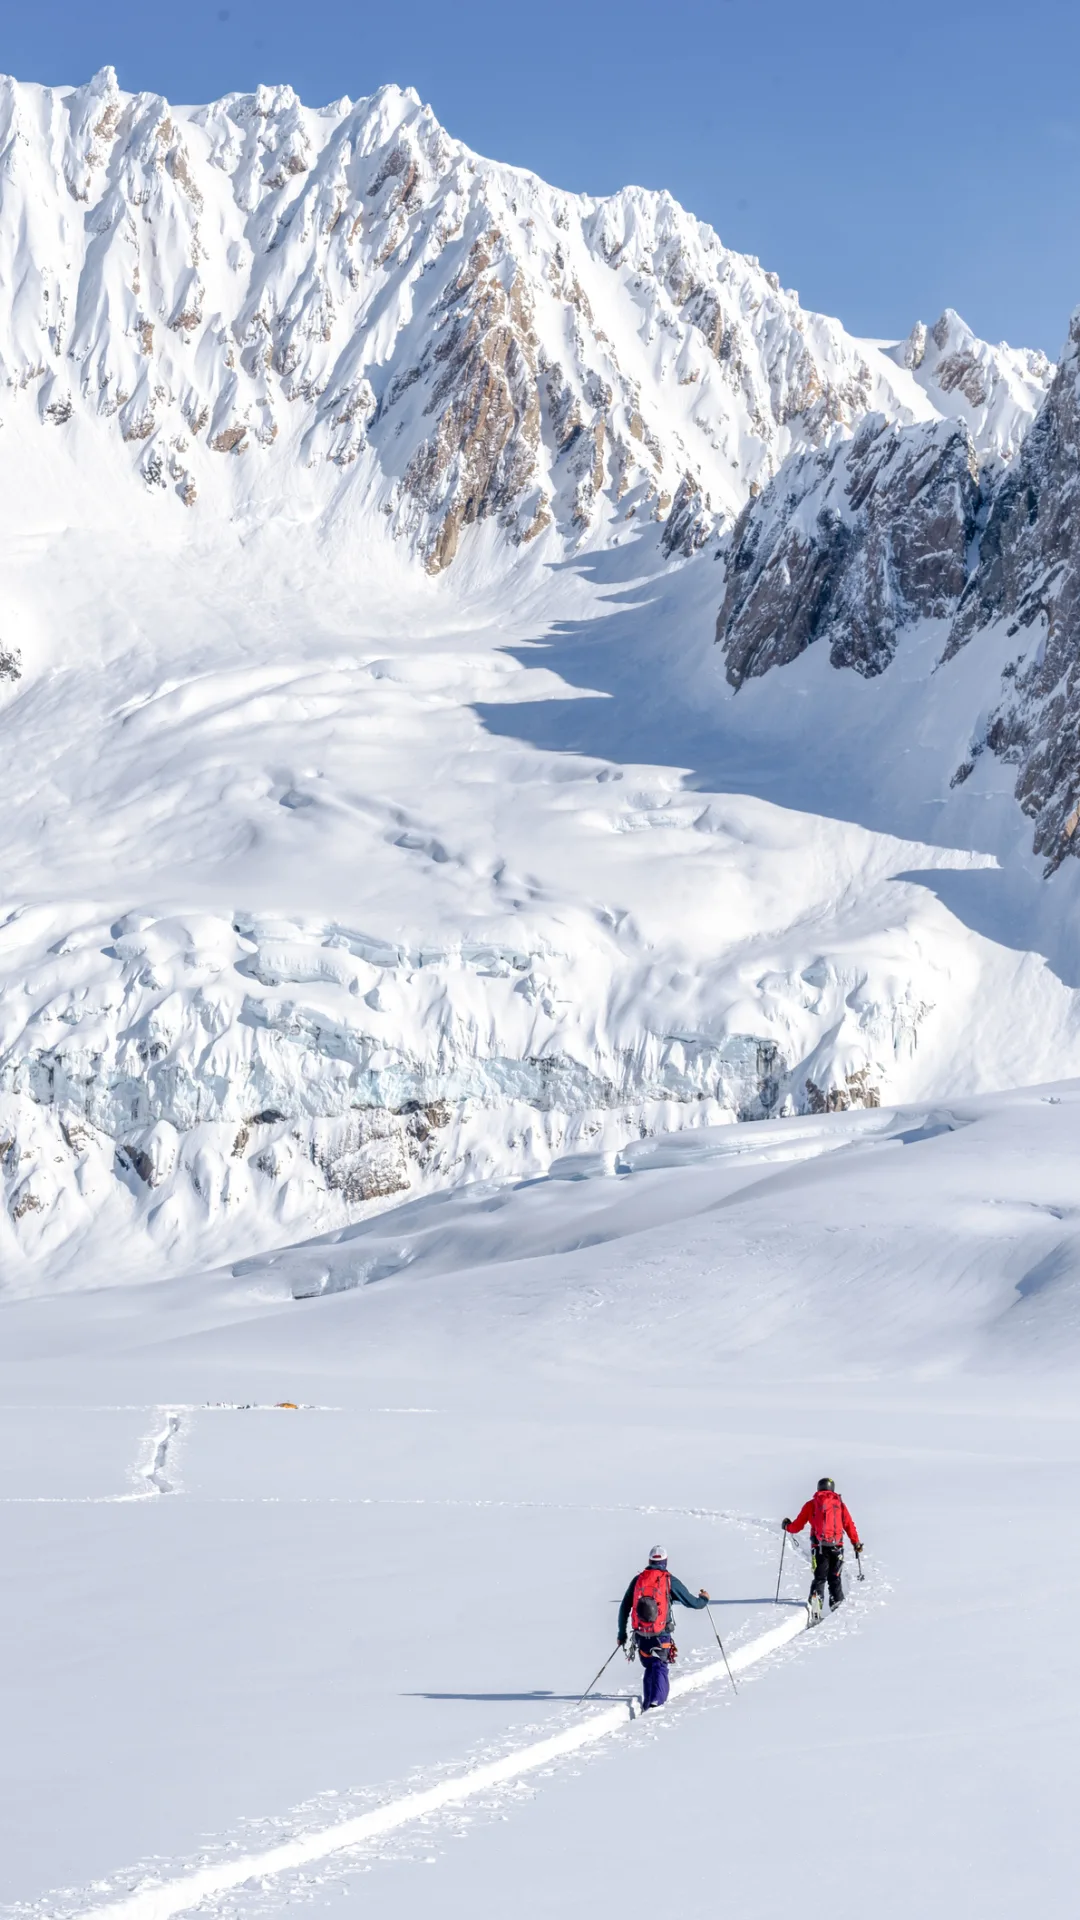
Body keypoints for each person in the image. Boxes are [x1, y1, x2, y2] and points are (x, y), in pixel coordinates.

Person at [617, 1544, 710, 1710]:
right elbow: (693, 1603)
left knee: (650, 1666)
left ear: (649, 1560)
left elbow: (624, 1606)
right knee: (659, 1665)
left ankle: (647, 1703)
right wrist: (704, 1599)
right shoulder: (668, 1580)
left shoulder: (638, 1580)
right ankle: (657, 1705)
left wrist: (621, 1634)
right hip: (661, 1633)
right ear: (666, 1561)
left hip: (640, 1633)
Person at [783, 1478, 863, 1618]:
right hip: (837, 1547)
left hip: (819, 1548)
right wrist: (856, 1543)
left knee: (819, 1578)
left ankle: (815, 1605)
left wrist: (787, 1526)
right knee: (835, 1578)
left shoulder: (812, 1504)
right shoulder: (840, 1505)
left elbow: (797, 1526)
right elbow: (849, 1525)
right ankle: (837, 1605)